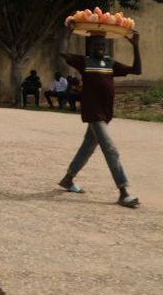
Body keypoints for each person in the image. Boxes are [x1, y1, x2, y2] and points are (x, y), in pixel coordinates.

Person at [57, 30, 142, 209]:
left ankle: (68, 179)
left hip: (105, 113)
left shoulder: (110, 63)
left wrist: (135, 46)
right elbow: (63, 53)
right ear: (90, 47)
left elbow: (136, 70)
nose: (100, 48)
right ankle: (123, 192)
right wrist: (68, 33)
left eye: (103, 45)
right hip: (93, 113)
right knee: (111, 150)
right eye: (97, 45)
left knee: (87, 147)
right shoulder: (84, 62)